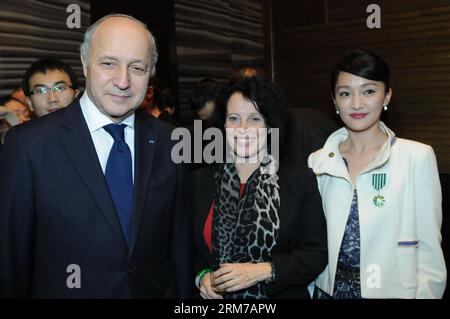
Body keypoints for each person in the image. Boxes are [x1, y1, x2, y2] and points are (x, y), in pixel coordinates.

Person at [0, 14, 191, 298]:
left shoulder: (171, 141)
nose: (123, 81)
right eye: (109, 63)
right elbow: (11, 261)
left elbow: (179, 248)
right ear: (85, 61)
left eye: (137, 68)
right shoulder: (29, 145)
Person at [308, 49, 447, 298]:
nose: (357, 103)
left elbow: (429, 251)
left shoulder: (416, 157)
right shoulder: (318, 162)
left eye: (369, 91)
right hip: (328, 292)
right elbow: (308, 243)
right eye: (345, 94)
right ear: (334, 101)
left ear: (387, 96)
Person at [191, 76, 327, 299]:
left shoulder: (298, 180)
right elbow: (189, 251)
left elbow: (316, 254)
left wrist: (264, 271)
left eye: (254, 118)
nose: (243, 129)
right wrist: (202, 276)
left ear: (270, 124)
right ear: (222, 125)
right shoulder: (199, 181)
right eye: (234, 118)